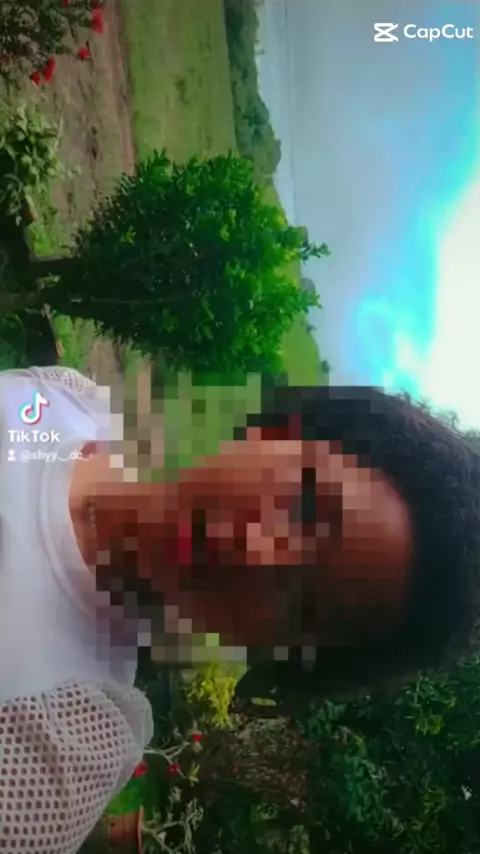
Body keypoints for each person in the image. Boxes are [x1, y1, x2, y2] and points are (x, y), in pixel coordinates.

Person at [1, 366, 479, 852]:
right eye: (304, 506)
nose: (256, 552)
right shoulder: (69, 401)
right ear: (278, 432)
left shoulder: (62, 743)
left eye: (303, 606)